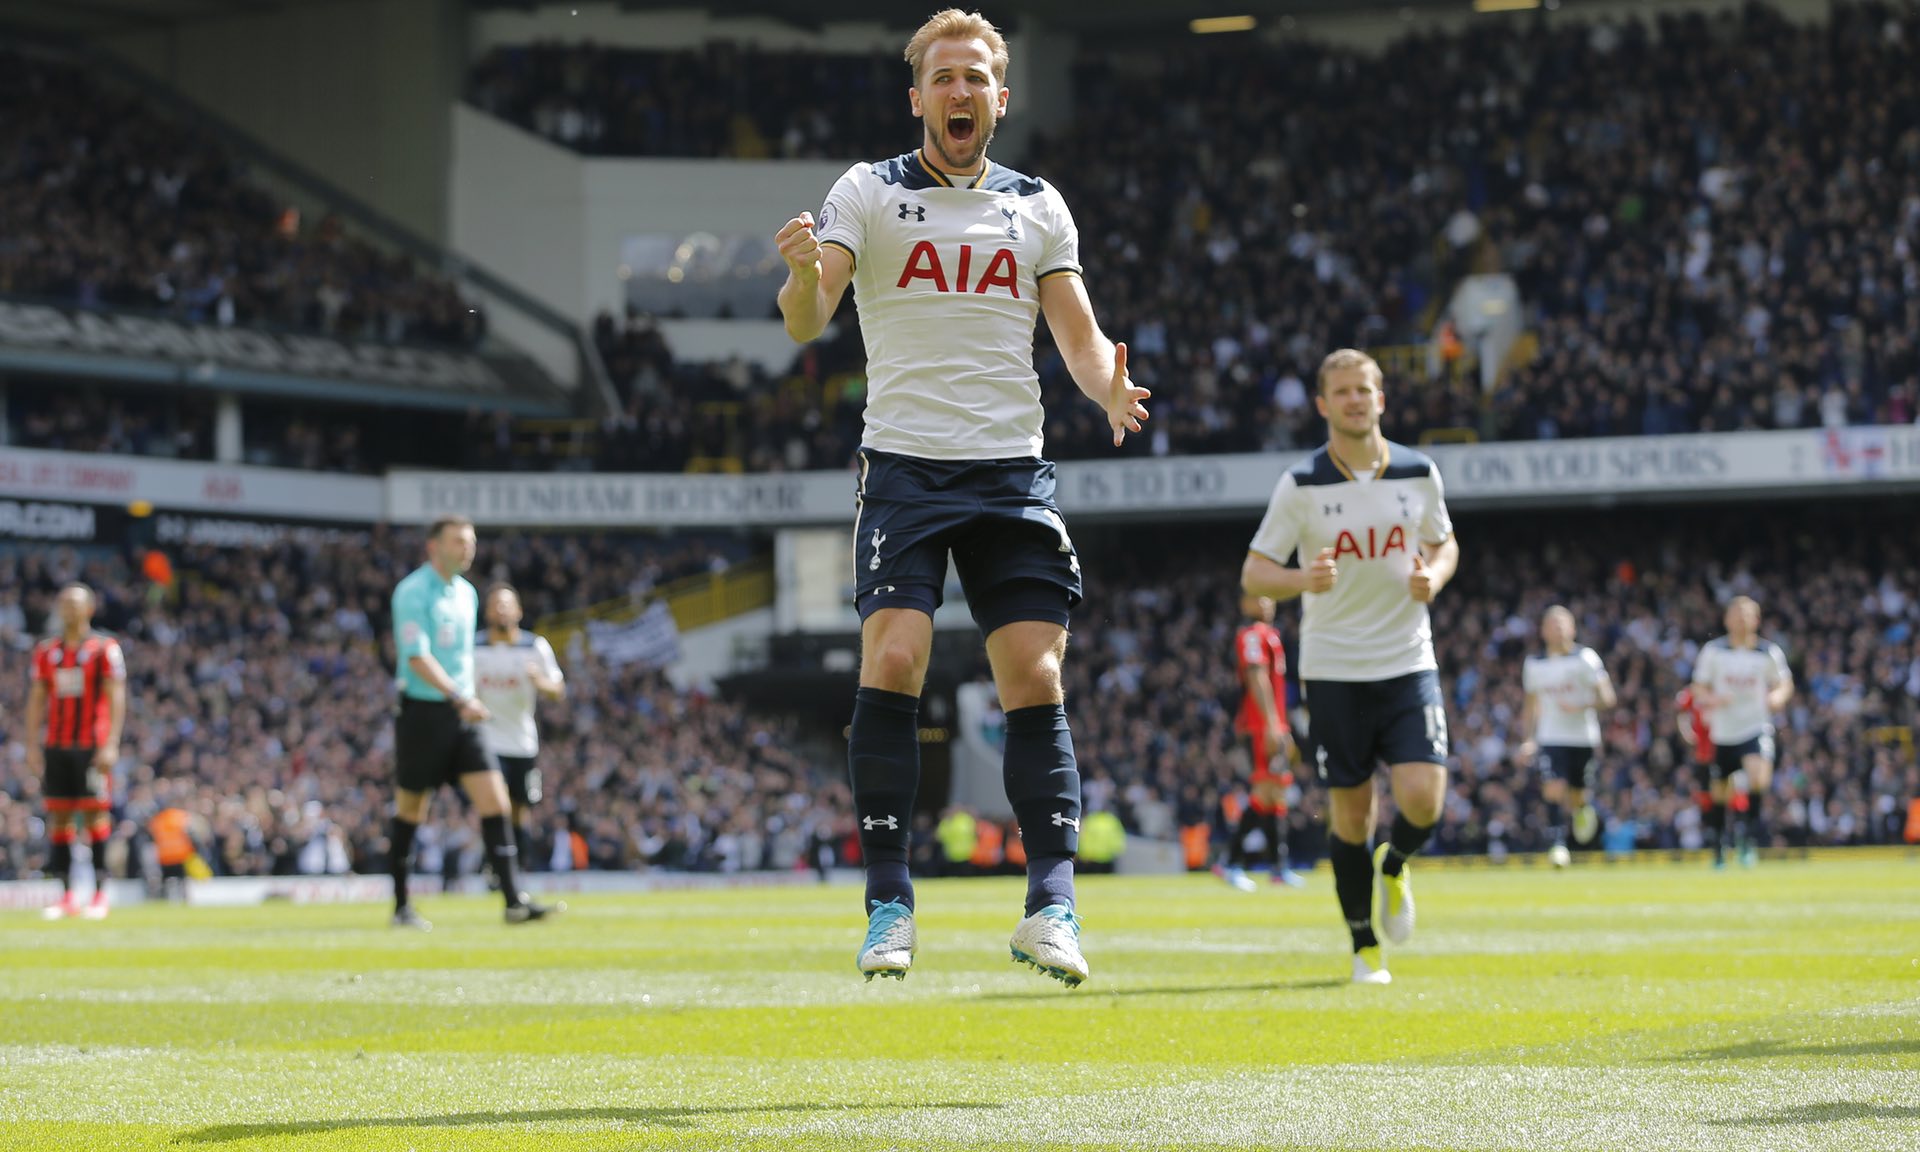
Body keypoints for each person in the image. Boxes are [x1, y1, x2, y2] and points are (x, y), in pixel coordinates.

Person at [774, 8, 1149, 987]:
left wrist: (1104, 381)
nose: (960, 92)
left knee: (1036, 675)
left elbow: (1074, 333)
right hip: (904, 466)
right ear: (917, 97)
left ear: (1000, 98)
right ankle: (890, 902)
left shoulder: (1036, 206)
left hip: (1009, 471)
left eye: (977, 78)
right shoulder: (867, 191)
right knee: (894, 655)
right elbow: (810, 320)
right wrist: (802, 278)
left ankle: (1051, 907)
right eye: (944, 77)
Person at [1241, 349, 1459, 985]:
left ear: (1381, 399)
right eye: (1342, 392)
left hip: (1407, 660)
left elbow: (1444, 542)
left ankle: (1395, 866)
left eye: (1365, 390)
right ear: (1323, 405)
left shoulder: (1419, 471)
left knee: (1423, 800)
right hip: (1334, 671)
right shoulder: (1302, 484)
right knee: (1351, 817)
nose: (1355, 400)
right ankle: (1365, 946)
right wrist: (1300, 577)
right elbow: (1254, 572)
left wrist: (1434, 578)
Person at [388, 516, 559, 929]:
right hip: (425, 712)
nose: (468, 548)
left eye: (472, 541)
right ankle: (401, 905)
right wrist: (460, 696)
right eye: (459, 541)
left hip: (464, 714)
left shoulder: (466, 594)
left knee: (497, 802)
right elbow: (416, 656)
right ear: (434, 546)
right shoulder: (413, 592)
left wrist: (466, 699)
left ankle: (513, 900)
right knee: (412, 807)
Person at [27, 584, 127, 921]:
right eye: (63, 603)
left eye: (74, 603)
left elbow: (116, 696)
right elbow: (37, 700)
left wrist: (111, 742)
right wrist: (31, 745)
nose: (68, 609)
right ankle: (67, 895)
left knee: (96, 815)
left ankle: (99, 894)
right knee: (59, 818)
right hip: (56, 745)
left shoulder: (104, 648)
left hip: (91, 745)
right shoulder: (46, 651)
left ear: (89, 608)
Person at [1690, 596, 1794, 868]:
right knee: (1720, 792)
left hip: (1755, 727)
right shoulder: (1714, 651)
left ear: (1756, 620)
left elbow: (1784, 682)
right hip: (1723, 732)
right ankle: (1720, 845)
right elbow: (1698, 687)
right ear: (1726, 620)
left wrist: (1777, 698)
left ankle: (1747, 839)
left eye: (1747, 614)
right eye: (1736, 614)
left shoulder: (1767, 652)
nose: (1741, 619)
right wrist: (1712, 699)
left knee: (1758, 778)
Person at [473, 583, 566, 877]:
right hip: (487, 740)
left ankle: (516, 866)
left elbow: (558, 689)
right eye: (495, 604)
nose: (501, 609)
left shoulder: (534, 647)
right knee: (494, 804)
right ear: (487, 611)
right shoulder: (475, 647)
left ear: (519, 611)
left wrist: (539, 681)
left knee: (519, 809)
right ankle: (494, 865)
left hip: (523, 742)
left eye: (506, 604)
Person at [1517, 606, 1616, 866]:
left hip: (1583, 737)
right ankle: (1557, 845)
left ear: (1572, 628)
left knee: (1577, 795)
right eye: (1552, 623)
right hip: (1550, 736)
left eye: (1562, 623)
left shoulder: (1586, 658)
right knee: (1553, 788)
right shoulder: (1534, 664)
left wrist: (1581, 705)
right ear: (1543, 630)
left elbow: (1608, 698)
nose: (1558, 628)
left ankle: (1583, 809)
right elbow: (1530, 705)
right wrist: (1528, 738)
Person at [1223, 593, 1304, 891]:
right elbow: (1257, 678)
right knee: (1266, 790)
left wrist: (1281, 725)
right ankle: (1230, 862)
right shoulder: (1253, 636)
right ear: (1246, 603)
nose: (1268, 601)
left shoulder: (1270, 635)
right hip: (1259, 725)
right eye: (1261, 597)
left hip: (1273, 723)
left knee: (1275, 792)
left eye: (1271, 597)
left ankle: (1278, 867)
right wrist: (1272, 725)